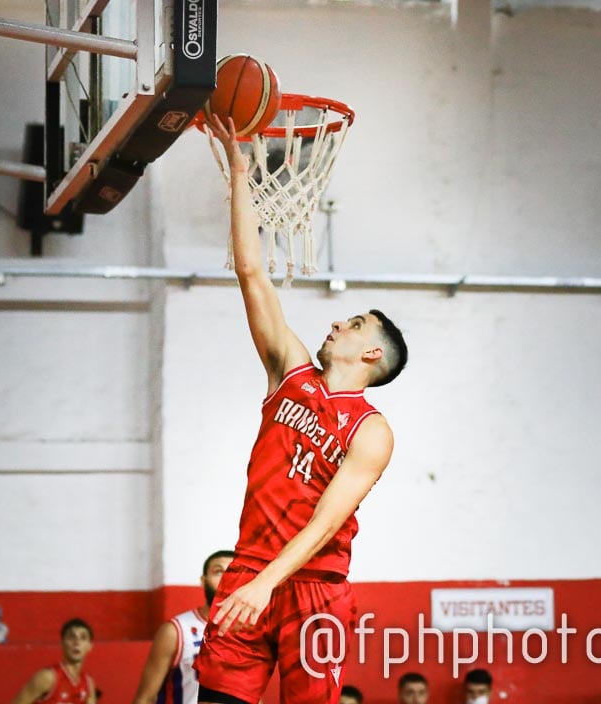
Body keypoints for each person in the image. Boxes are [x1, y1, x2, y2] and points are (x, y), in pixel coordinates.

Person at [194, 114, 408, 704]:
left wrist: (268, 583)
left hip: (314, 588)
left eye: (354, 323)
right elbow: (251, 273)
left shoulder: (372, 432)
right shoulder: (289, 371)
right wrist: (240, 173)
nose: (337, 321)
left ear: (370, 353)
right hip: (249, 569)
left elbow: (325, 524)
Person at [132, 550, 235, 704]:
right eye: (218, 571)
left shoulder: (251, 631)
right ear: (203, 580)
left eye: (234, 572)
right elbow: (145, 698)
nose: (226, 578)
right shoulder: (176, 630)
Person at [10, 618, 96, 704]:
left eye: (83, 638)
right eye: (71, 637)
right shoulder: (47, 678)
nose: (77, 642)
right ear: (62, 643)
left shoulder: (89, 684)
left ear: (90, 646)